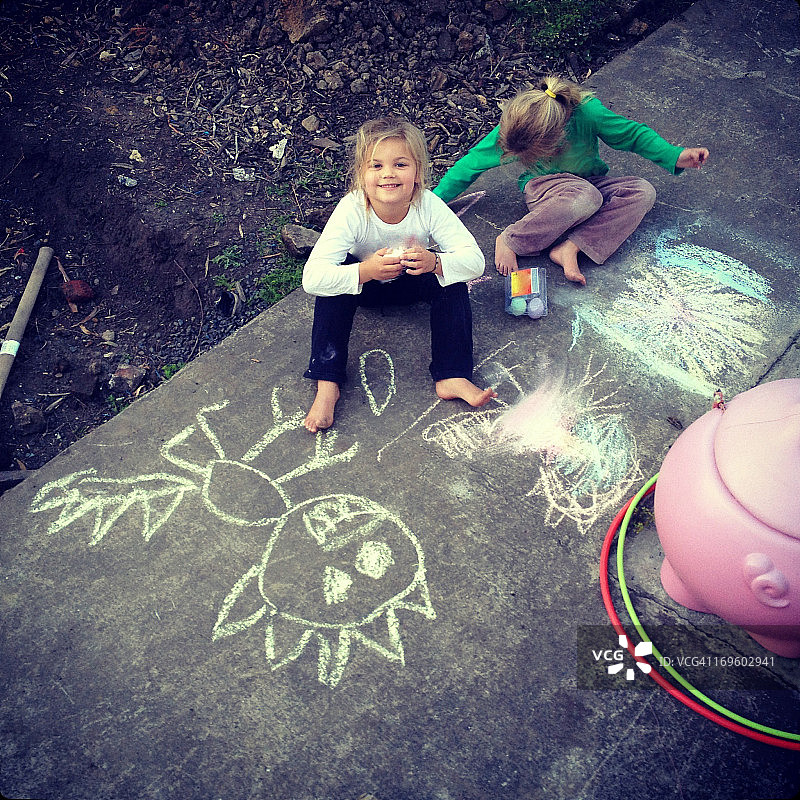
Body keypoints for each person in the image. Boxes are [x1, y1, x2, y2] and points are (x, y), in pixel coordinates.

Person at [302, 116, 497, 433]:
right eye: (376, 166)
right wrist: (364, 270)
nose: (388, 174)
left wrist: (434, 262)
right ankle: (327, 381)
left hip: (411, 277)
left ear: (418, 172)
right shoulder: (352, 209)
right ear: (361, 175)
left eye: (400, 164)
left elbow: (475, 261)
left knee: (452, 277)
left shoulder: (428, 204)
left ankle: (452, 374)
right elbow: (312, 278)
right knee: (331, 283)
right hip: (365, 284)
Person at [433, 75, 709, 286]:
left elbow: (633, 134)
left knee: (642, 191)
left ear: (557, 139)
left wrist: (675, 155)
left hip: (588, 185)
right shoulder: (522, 122)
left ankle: (571, 247)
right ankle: (511, 239)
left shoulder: (588, 113)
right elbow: (468, 166)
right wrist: (430, 201)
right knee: (586, 196)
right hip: (546, 189)